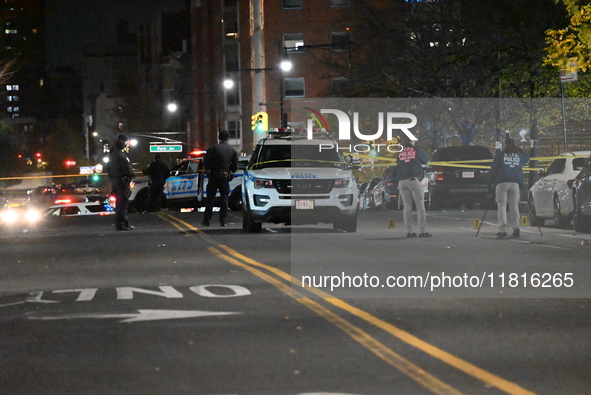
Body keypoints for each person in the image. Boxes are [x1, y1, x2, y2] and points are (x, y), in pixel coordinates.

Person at [488, 137, 530, 239]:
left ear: (505, 145)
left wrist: (490, 183)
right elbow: (527, 157)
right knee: (514, 206)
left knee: (501, 206)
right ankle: (516, 228)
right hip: (515, 183)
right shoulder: (519, 156)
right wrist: (519, 148)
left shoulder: (500, 155)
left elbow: (494, 168)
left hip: (502, 182)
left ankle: (502, 230)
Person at [397, 134, 431, 238]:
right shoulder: (416, 150)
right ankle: (423, 230)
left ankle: (409, 231)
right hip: (413, 179)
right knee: (420, 206)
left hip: (402, 181)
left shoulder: (400, 152)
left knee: (407, 206)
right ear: (412, 140)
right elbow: (427, 160)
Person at [202, 130, 238, 227]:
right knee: (224, 199)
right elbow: (234, 167)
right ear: (227, 138)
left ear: (219, 138)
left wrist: (209, 171)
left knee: (210, 199)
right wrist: (229, 171)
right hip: (224, 177)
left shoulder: (213, 148)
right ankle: (223, 220)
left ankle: (207, 220)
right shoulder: (232, 150)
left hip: (214, 176)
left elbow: (206, 162)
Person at [108, 137, 135, 230]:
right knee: (123, 203)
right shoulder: (122, 156)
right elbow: (128, 169)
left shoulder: (112, 156)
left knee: (118, 202)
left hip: (114, 180)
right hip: (122, 181)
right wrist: (131, 176)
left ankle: (122, 223)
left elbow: (108, 169)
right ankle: (122, 223)